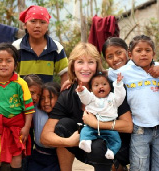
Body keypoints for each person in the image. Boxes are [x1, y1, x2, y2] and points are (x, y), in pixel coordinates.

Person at [41, 42, 133, 171]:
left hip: (116, 145)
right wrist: (69, 142)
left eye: (90, 62)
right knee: (63, 125)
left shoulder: (111, 88)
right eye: (80, 62)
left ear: (96, 66)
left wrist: (96, 124)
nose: (86, 68)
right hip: (87, 143)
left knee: (97, 147)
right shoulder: (68, 94)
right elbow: (45, 136)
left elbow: (128, 126)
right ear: (73, 66)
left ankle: (117, 167)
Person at [104, 35, 159, 171]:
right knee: (139, 165)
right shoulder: (124, 71)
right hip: (139, 128)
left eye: (147, 50)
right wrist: (73, 78)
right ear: (130, 54)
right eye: (139, 51)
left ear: (154, 54)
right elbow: (102, 74)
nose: (143, 54)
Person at [0, 43, 35, 171]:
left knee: (16, 158)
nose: (4, 64)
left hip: (17, 127)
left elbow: (28, 108)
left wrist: (26, 127)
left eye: (8, 61)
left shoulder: (20, 83)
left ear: (15, 65)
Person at [12, 5, 68, 86]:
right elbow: (8, 73)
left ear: (47, 26)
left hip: (46, 97)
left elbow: (65, 74)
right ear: (25, 25)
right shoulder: (16, 47)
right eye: (33, 21)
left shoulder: (56, 48)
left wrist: (62, 96)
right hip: (22, 96)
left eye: (42, 22)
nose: (37, 26)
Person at [76, 72, 125, 160]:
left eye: (104, 84)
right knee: (85, 132)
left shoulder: (113, 98)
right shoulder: (91, 97)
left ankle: (111, 151)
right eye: (96, 85)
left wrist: (118, 85)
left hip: (109, 127)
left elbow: (120, 97)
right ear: (91, 89)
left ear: (110, 87)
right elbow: (85, 98)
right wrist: (82, 91)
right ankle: (86, 142)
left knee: (116, 140)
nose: (101, 86)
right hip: (91, 126)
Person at [28, 81, 61, 171]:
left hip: (56, 158)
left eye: (50, 97)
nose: (46, 101)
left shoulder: (63, 115)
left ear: (59, 98)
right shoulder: (37, 110)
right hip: (37, 155)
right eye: (42, 98)